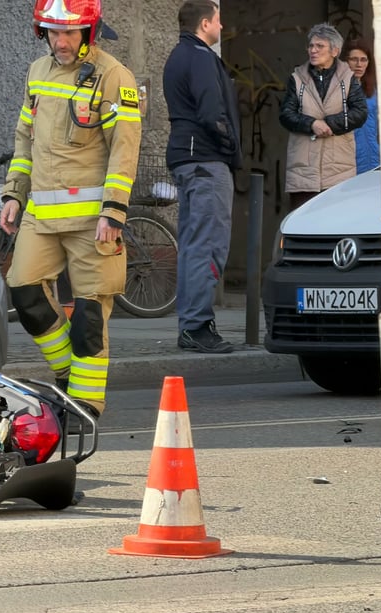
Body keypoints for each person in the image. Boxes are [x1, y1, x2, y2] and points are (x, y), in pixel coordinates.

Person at [0, 0, 142, 418]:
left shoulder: (115, 76)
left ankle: (84, 405)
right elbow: (24, 138)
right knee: (24, 292)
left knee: (88, 317)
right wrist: (14, 194)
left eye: (69, 33)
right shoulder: (37, 72)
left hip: (91, 221)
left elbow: (125, 147)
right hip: (41, 215)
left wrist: (113, 211)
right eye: (52, 32)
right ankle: (67, 377)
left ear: (89, 32)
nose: (60, 41)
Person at [162, 0, 242, 354]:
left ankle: (191, 324)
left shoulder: (177, 56)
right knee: (208, 246)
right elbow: (213, 112)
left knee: (193, 245)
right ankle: (197, 325)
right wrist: (230, 148)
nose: (222, 28)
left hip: (186, 159)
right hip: (205, 161)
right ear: (205, 23)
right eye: (218, 21)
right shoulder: (202, 58)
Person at [279, 23, 367, 210]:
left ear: (334, 51)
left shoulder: (348, 78)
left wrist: (328, 124)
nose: (313, 50)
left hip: (339, 170)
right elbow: (286, 114)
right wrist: (311, 124)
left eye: (320, 46)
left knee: (339, 225)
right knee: (302, 227)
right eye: (311, 46)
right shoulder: (297, 77)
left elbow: (359, 113)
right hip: (303, 173)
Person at [342, 38, 380, 173]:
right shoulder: (336, 90)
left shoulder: (373, 92)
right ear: (345, 61)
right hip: (347, 161)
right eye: (354, 59)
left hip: (374, 158)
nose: (359, 64)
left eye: (363, 60)